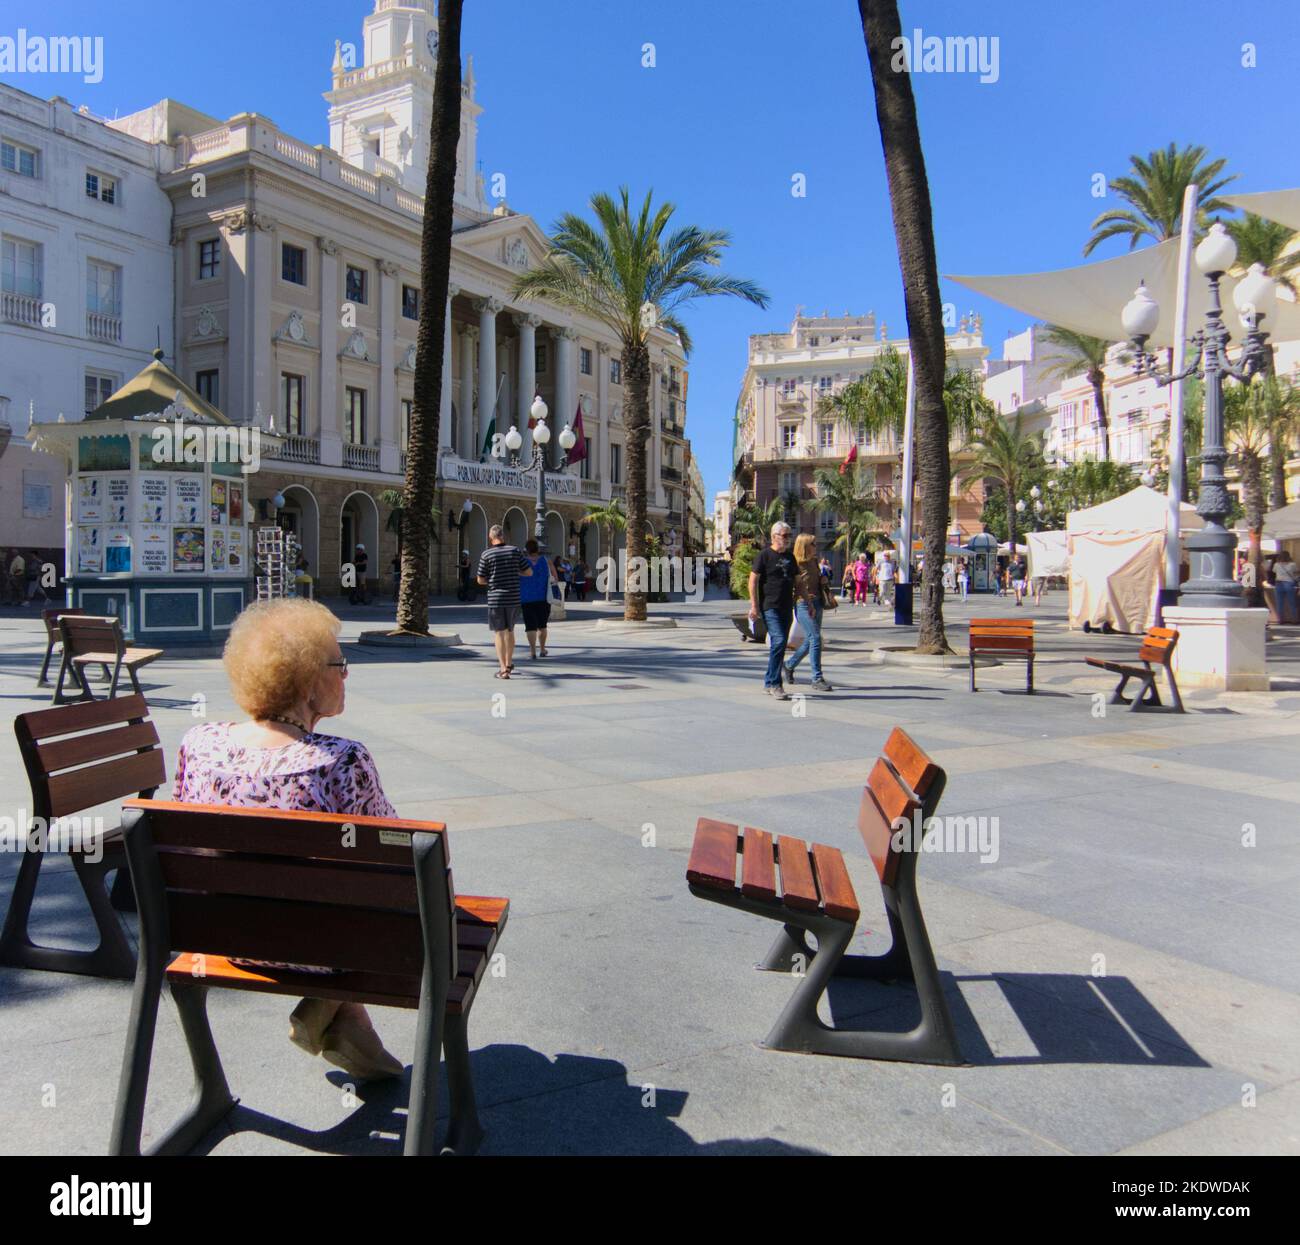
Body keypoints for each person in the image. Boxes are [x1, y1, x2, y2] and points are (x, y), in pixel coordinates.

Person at [172, 598, 403, 1081]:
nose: (346, 675)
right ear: (308, 679)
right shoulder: (340, 761)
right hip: (325, 952)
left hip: (226, 935)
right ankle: (327, 1004)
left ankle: (353, 1032)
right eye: (340, 665)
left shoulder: (199, 745)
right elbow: (394, 852)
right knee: (412, 892)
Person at [476, 523, 532, 678]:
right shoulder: (515, 551)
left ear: (490, 537)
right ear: (503, 536)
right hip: (513, 598)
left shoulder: (486, 555)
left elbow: (480, 580)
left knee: (499, 633)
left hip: (496, 599)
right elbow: (528, 572)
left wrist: (493, 579)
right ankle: (509, 662)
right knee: (510, 630)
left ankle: (502, 669)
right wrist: (515, 574)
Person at [748, 521, 796, 700]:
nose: (788, 539)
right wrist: (754, 605)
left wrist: (806, 601)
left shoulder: (791, 558)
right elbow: (753, 580)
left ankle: (768, 681)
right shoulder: (764, 555)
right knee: (779, 640)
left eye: (789, 535)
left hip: (787, 606)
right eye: (785, 536)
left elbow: (798, 582)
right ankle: (776, 684)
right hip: (770, 606)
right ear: (774, 536)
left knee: (780, 644)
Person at [784, 533, 833, 691]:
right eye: (813, 544)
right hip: (803, 604)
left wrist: (823, 580)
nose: (816, 546)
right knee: (816, 638)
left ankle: (789, 664)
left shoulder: (813, 561)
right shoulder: (795, 563)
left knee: (811, 640)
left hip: (818, 602)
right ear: (804, 546)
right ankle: (817, 678)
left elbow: (815, 579)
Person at [520, 538, 552, 658]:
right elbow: (555, 577)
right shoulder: (546, 561)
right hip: (543, 598)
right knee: (542, 625)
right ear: (538, 549)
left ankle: (532, 651)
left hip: (526, 598)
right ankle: (542, 649)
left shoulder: (522, 562)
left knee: (530, 626)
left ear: (526, 550)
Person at [1274, 551, 1299, 623]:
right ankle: (1294, 619)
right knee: (1292, 603)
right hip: (1289, 584)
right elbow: (1296, 572)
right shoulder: (1292, 564)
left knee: (1279, 603)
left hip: (1278, 584)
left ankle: (1280, 620)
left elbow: (1274, 571)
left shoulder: (1276, 564)